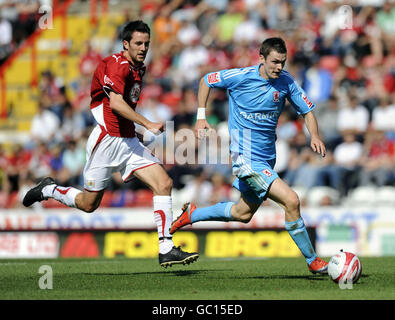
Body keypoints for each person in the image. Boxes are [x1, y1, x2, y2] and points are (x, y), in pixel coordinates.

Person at [22, 20, 198, 268]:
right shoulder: (118, 65)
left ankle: (166, 248)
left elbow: (120, 108)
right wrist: (146, 124)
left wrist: (132, 130)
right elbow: (115, 104)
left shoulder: (138, 68)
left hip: (126, 140)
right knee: (88, 204)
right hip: (106, 141)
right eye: (138, 43)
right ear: (125, 43)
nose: (143, 47)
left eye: (147, 43)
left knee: (164, 183)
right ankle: (49, 190)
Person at [170, 37, 328, 274]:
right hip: (245, 158)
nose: (279, 67)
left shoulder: (286, 81)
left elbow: (307, 110)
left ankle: (193, 214)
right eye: (274, 62)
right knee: (292, 200)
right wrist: (201, 116)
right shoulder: (241, 76)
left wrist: (314, 136)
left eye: (282, 62)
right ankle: (313, 261)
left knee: (242, 213)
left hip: (267, 158)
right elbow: (206, 80)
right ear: (261, 58)